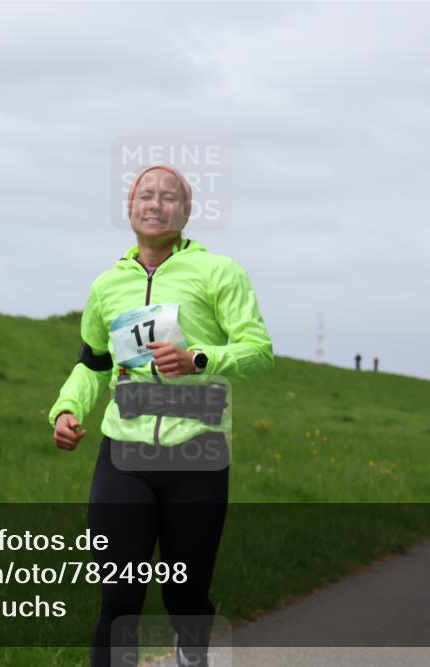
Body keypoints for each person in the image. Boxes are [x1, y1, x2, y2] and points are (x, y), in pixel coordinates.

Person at [49, 165, 274, 667]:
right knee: (118, 599)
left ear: (186, 212)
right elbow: (92, 364)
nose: (155, 204)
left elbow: (259, 351)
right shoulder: (108, 285)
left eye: (168, 197)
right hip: (124, 452)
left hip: (197, 452)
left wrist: (199, 359)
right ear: (130, 208)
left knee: (185, 597)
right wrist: (66, 409)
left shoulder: (220, 274)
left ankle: (191, 651)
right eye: (144, 195)